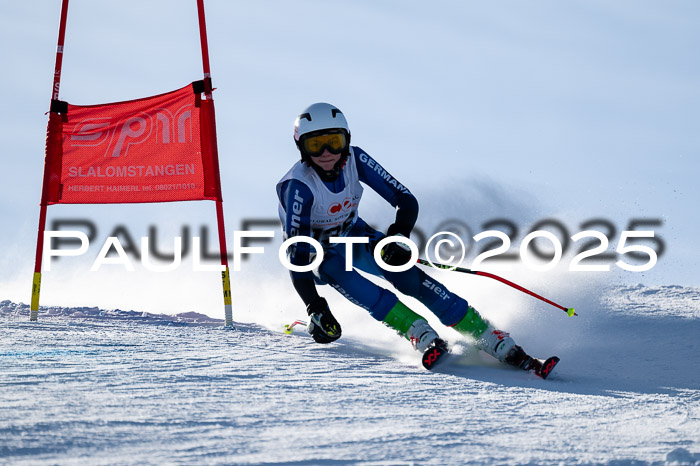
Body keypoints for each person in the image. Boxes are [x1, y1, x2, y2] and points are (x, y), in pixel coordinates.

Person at [276, 102, 553, 376]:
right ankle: (416, 331)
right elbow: (297, 254)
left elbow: (405, 200)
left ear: (346, 140)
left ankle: (489, 336)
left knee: (405, 276)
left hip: (353, 234)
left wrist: (398, 236)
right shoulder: (298, 186)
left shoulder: (356, 160)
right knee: (334, 268)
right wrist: (315, 306)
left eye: (334, 142)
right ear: (302, 147)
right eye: (316, 145)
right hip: (317, 253)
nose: (326, 153)